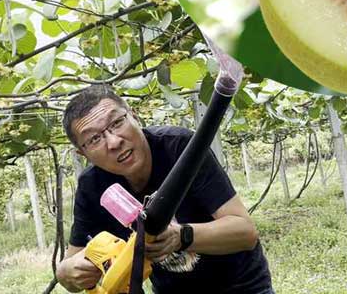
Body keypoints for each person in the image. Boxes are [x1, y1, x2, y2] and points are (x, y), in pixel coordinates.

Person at [55, 85, 274, 294]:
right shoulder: (93, 186)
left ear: (134, 116)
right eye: (94, 139)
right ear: (83, 154)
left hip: (242, 286)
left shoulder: (181, 149)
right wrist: (68, 272)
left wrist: (181, 236)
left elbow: (245, 233)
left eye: (117, 122)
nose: (113, 142)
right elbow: (69, 268)